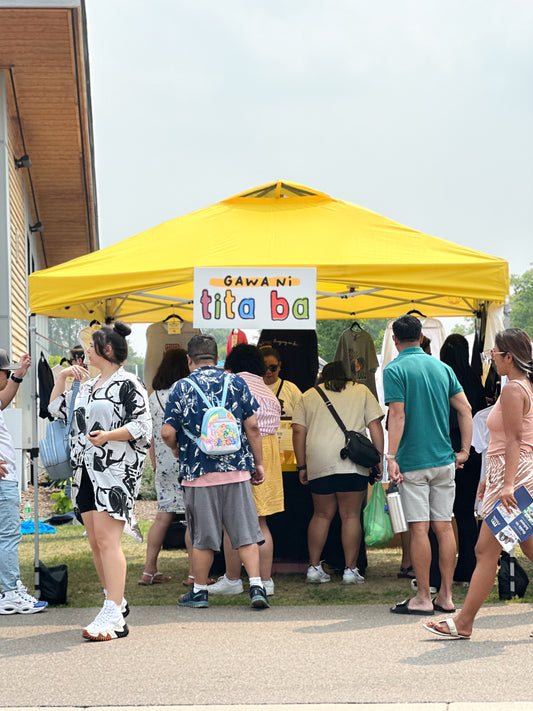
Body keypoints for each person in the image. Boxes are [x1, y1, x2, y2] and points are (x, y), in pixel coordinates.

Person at [425, 328, 533, 639]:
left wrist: (507, 483)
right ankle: (464, 623)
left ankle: (463, 623)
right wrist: (491, 477)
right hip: (510, 473)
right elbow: (508, 440)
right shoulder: (518, 386)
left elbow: (514, 440)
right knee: (524, 546)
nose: (490, 360)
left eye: (493, 355)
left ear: (508, 357)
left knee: (486, 550)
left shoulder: (514, 390)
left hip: (515, 476)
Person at [49, 322, 152, 641]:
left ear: (107, 350)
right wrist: (61, 378)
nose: (86, 351)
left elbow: (143, 427)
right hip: (85, 473)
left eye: (91, 346)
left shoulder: (128, 383)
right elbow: (56, 411)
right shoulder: (88, 385)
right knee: (96, 542)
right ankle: (115, 602)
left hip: (115, 472)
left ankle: (113, 611)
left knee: (108, 541)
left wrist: (108, 436)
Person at [161, 334, 270, 609]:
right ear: (217, 356)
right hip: (236, 471)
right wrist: (257, 464)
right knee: (245, 532)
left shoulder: (181, 387)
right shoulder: (236, 382)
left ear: (190, 360)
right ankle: (256, 586)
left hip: (199, 474)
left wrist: (177, 448)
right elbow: (253, 426)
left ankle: (199, 592)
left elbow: (167, 432)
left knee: (203, 537)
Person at [384, 314, 472, 616]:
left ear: (395, 341)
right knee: (444, 527)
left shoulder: (394, 369)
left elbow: (398, 415)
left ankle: (423, 596)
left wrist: (390, 457)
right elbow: (465, 409)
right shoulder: (442, 367)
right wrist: (463, 451)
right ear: (421, 337)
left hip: (412, 461)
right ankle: (446, 596)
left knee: (419, 529)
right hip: (444, 459)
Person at [292, 360, 384, 584]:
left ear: (323, 376)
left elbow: (297, 432)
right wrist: (378, 459)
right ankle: (350, 570)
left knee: (321, 515)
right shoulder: (361, 391)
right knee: (350, 516)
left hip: (319, 461)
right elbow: (375, 427)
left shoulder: (308, 395)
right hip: (352, 463)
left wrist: (302, 465)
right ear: (348, 375)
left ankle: (314, 568)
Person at [209, 344, 282, 597]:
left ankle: (232, 578)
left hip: (243, 452)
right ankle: (266, 580)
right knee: (261, 523)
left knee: (232, 522)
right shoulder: (268, 390)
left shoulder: (233, 385)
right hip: (269, 453)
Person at [0, 349, 48, 615]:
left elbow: (3, 401)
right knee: (8, 537)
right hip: (3, 482)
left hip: (5, 480)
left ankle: (10, 589)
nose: (8, 375)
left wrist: (18, 377)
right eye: (6, 371)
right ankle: (10, 593)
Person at [139, 347, 190, 586]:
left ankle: (149, 570)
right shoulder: (186, 393)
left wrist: (155, 463)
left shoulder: (153, 397)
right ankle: (194, 574)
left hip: (162, 463)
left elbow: (151, 437)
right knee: (193, 519)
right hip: (185, 459)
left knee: (162, 517)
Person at [440, 334, 486, 584]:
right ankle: (468, 568)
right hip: (471, 451)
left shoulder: (442, 378)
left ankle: (439, 572)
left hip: (445, 450)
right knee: (466, 513)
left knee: (440, 516)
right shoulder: (474, 380)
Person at [260, 346, 301, 418]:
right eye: (264, 368)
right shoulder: (250, 388)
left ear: (279, 365)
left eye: (273, 368)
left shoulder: (291, 388)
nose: (268, 371)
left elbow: (303, 415)